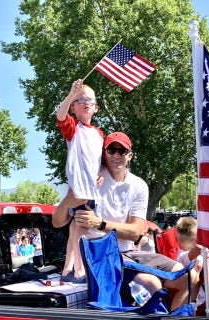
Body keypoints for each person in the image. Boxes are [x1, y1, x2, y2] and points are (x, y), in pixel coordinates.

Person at [53, 132, 199, 311]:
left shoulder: (139, 185)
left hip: (130, 252)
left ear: (129, 155)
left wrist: (99, 223)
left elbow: (135, 231)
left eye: (122, 151)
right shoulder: (90, 179)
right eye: (111, 150)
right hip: (102, 256)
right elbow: (57, 222)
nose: (116, 155)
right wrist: (69, 199)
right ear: (103, 153)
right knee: (150, 284)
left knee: (191, 277)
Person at [55, 79, 104, 283]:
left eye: (89, 100)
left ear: (96, 108)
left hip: (93, 188)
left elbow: (100, 159)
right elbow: (60, 116)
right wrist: (71, 94)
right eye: (80, 99)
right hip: (80, 188)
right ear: (74, 107)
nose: (85, 102)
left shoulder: (100, 134)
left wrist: (102, 172)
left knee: (75, 227)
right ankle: (79, 268)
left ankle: (68, 267)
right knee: (81, 228)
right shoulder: (74, 128)